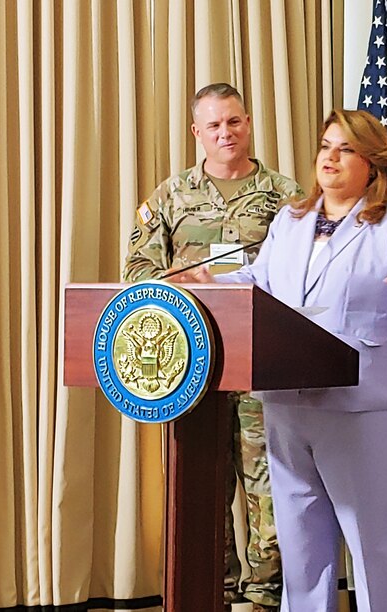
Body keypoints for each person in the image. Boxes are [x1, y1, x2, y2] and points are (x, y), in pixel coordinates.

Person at [182, 109, 387, 611]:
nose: (331, 156)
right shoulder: (292, 219)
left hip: (362, 405)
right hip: (288, 402)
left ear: (373, 164)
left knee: (377, 548)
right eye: (326, 146)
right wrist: (212, 286)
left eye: (346, 149)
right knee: (301, 552)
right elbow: (260, 282)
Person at [123, 82, 303, 610]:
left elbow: (305, 276)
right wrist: (178, 278)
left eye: (235, 122)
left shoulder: (285, 197)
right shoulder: (171, 196)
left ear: (248, 123)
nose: (226, 133)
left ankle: (267, 595)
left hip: (261, 365)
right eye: (215, 125)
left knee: (267, 486)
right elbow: (137, 271)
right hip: (190, 367)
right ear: (197, 132)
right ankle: (213, 591)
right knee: (202, 486)